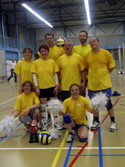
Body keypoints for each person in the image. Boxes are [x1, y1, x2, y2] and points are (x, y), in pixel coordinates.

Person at [83, 37, 117, 132]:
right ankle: (96, 121)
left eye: (94, 41)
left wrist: (104, 74)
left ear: (98, 42)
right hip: (92, 85)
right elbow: (86, 68)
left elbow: (112, 66)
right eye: (90, 42)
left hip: (104, 84)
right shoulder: (87, 56)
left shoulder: (106, 53)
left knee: (108, 104)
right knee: (95, 105)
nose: (92, 43)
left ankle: (113, 122)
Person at [31, 44, 61, 131]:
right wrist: (36, 87)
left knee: (54, 106)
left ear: (48, 52)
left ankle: (55, 123)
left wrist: (56, 85)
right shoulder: (36, 62)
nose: (43, 52)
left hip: (52, 86)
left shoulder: (52, 62)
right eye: (42, 51)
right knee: (43, 108)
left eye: (45, 51)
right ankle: (44, 123)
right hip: (41, 87)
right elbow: (34, 75)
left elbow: (55, 74)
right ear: (39, 53)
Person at [73, 30, 91, 97]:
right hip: (79, 77)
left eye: (83, 36)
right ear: (78, 37)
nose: (82, 37)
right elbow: (66, 47)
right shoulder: (75, 48)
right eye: (80, 36)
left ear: (87, 37)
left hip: (90, 77)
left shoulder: (90, 48)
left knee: (92, 96)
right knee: (80, 96)